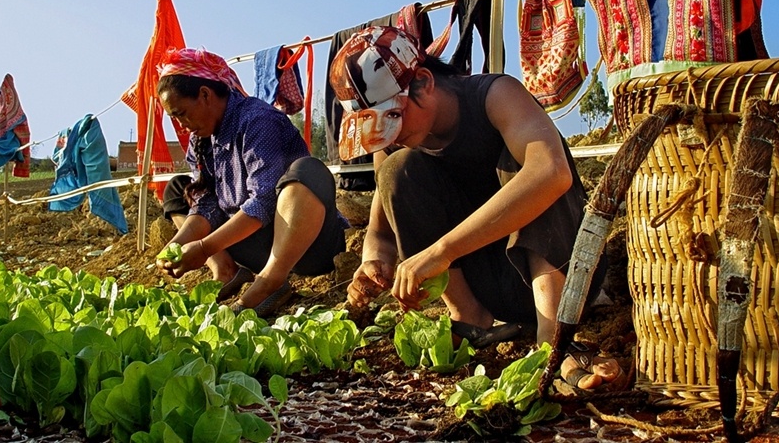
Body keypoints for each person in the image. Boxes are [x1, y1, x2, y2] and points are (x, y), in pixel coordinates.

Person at [329, 26, 621, 389]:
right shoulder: (394, 146)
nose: (392, 134)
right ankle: (468, 314)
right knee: (397, 170)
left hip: (560, 277)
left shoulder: (495, 95)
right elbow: (379, 231)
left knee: (533, 163)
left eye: (393, 117)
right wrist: (372, 261)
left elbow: (552, 173)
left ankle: (554, 338)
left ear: (424, 81)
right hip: (489, 287)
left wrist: (442, 251)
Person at [154, 47, 348, 316]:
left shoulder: (257, 120)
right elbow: (206, 205)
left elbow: (265, 200)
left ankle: (270, 281)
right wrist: (177, 247)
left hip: (306, 248)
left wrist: (203, 247)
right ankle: (225, 270)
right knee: (181, 188)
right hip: (255, 246)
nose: (182, 125)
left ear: (205, 95)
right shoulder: (202, 139)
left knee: (307, 172)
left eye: (181, 113)